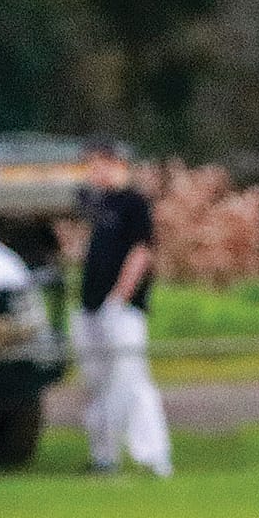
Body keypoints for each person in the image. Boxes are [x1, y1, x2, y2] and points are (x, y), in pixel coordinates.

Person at [71, 140, 172, 477]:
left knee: (132, 379)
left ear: (116, 164)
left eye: (100, 164)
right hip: (90, 306)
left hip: (122, 309)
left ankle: (155, 454)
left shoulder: (134, 203)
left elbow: (141, 252)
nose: (94, 172)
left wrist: (119, 297)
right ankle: (104, 455)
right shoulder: (97, 204)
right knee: (97, 383)